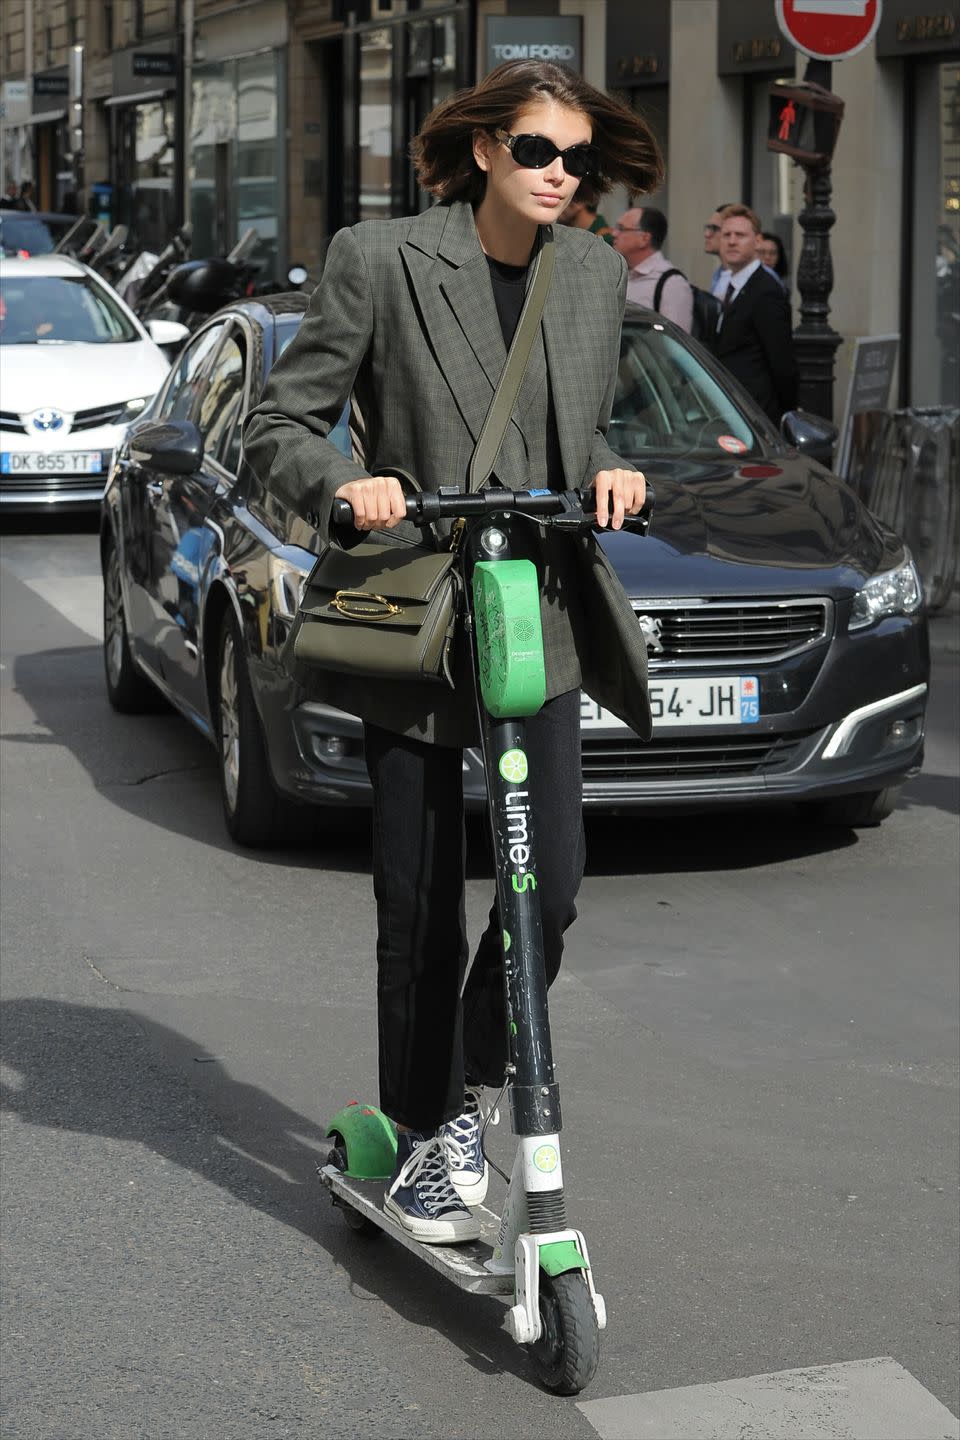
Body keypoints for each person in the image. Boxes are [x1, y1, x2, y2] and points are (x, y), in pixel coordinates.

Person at [242, 61, 660, 1246]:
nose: (560, 175)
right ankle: (421, 1136)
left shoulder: (592, 271)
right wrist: (350, 486)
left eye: (576, 158)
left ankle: (472, 1106)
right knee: (416, 901)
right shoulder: (380, 260)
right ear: (485, 150)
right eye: (537, 151)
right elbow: (282, 422)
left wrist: (616, 468)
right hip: (420, 610)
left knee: (553, 886)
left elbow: (583, 422)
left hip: (540, 614)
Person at [713, 203, 798, 425]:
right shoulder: (731, 285)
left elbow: (782, 362)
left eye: (740, 235)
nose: (731, 241)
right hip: (731, 412)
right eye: (726, 234)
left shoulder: (766, 291)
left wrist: (784, 416)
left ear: (757, 241)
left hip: (757, 417)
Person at [613, 205, 694, 333]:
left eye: (621, 229)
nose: (614, 233)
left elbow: (674, 342)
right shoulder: (622, 274)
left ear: (644, 238)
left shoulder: (671, 283)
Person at [557, 178, 614, 243]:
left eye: (562, 198)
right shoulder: (564, 233)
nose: (557, 204)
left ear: (579, 202)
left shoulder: (606, 240)